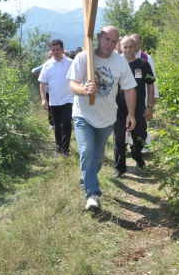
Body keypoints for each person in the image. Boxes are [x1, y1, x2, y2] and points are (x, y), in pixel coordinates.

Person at [67, 26, 137, 211]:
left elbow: (129, 88)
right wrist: (84, 90)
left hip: (107, 117)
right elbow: (73, 84)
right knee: (87, 151)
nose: (109, 44)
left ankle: (87, 177)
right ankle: (93, 195)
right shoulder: (84, 57)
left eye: (114, 41)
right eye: (107, 39)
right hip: (83, 114)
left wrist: (131, 114)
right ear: (98, 37)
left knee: (97, 158)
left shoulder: (120, 62)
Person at [113, 35, 155, 177]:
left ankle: (136, 155)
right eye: (125, 47)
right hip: (118, 111)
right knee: (118, 140)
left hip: (138, 110)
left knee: (140, 138)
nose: (128, 49)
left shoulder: (143, 64)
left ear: (136, 47)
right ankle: (120, 168)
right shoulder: (115, 64)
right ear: (120, 47)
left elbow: (150, 86)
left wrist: (149, 106)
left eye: (131, 46)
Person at [39, 39, 74, 158]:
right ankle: (58, 149)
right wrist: (44, 99)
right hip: (54, 101)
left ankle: (66, 149)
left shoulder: (70, 63)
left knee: (66, 125)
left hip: (68, 99)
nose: (55, 52)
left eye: (58, 49)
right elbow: (42, 83)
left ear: (62, 50)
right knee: (57, 126)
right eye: (53, 50)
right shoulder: (47, 65)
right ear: (50, 50)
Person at [131, 33, 159, 152]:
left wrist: (154, 97)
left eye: (137, 43)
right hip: (128, 95)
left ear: (140, 44)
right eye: (133, 44)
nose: (135, 46)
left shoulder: (146, 58)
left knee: (142, 122)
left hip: (144, 95)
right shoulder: (123, 57)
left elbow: (152, 79)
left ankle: (143, 148)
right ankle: (130, 145)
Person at [32, 51, 54, 129]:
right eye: (50, 57)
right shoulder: (47, 64)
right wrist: (44, 78)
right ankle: (51, 124)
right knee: (50, 107)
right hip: (48, 90)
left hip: (58, 90)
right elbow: (34, 71)